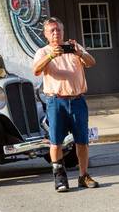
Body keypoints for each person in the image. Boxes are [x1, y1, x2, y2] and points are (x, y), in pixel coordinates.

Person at [32, 18, 99, 191]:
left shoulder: (74, 47)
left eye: (58, 30)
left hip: (77, 100)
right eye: (52, 31)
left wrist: (79, 53)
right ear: (46, 34)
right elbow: (36, 70)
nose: (56, 33)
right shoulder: (43, 51)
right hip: (56, 101)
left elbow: (92, 63)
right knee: (56, 142)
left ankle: (83, 176)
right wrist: (51, 56)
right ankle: (60, 177)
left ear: (63, 31)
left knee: (82, 141)